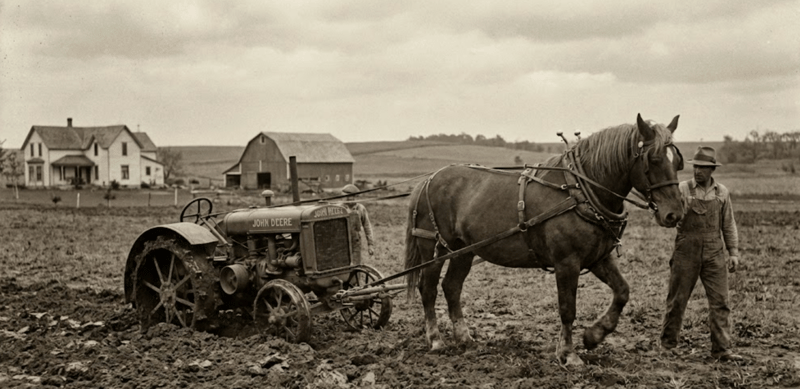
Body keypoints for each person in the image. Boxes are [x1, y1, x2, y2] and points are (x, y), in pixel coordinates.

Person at [660, 146, 743, 362]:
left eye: (704, 167)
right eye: (696, 166)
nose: (698, 171)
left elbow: (729, 224)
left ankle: (722, 350)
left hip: (715, 251)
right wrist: (675, 213)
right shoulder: (682, 189)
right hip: (686, 249)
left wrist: (733, 252)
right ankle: (668, 345)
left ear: (712, 169)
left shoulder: (722, 193)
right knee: (677, 300)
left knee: (720, 302)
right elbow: (665, 219)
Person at [341, 184, 375, 256]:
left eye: (352, 196)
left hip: (356, 243)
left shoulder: (361, 209)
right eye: (347, 196)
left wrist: (370, 244)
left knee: (356, 264)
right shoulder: (338, 209)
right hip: (341, 244)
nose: (350, 199)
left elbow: (367, 227)